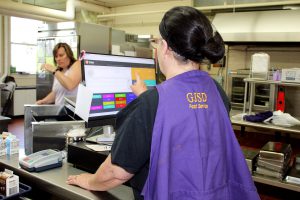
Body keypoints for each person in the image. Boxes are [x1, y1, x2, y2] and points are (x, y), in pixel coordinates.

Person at [67, 6, 259, 200]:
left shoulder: (152, 104)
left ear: (165, 47)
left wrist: (89, 181)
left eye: (157, 42)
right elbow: (190, 128)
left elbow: (116, 173)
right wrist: (147, 99)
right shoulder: (216, 91)